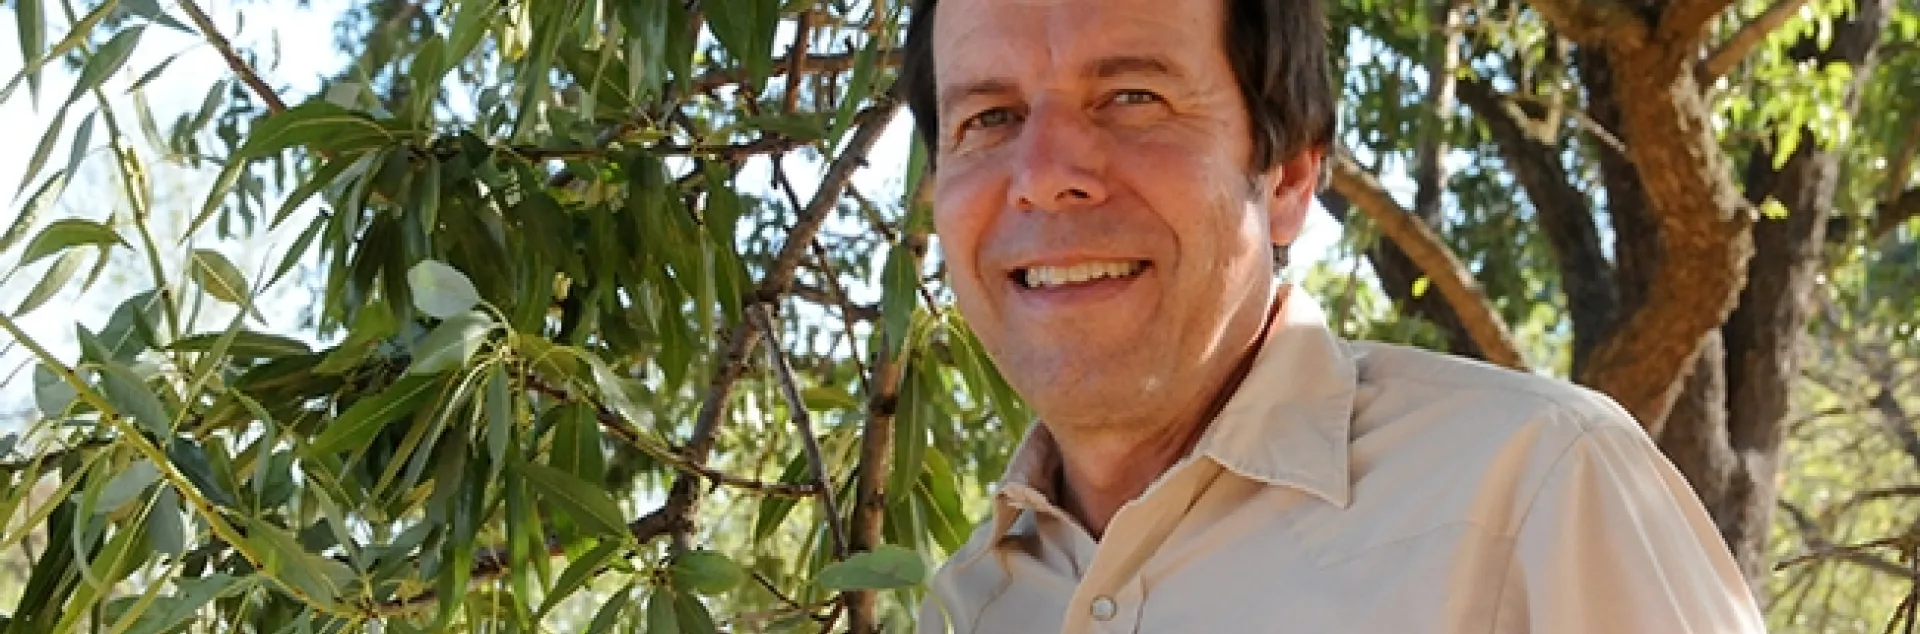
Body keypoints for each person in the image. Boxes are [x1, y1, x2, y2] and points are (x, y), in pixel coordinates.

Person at [896, 0, 1771, 632]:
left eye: (1133, 99)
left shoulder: (1537, 490)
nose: (1044, 172)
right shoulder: (963, 605)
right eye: (990, 116)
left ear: (1288, 179)